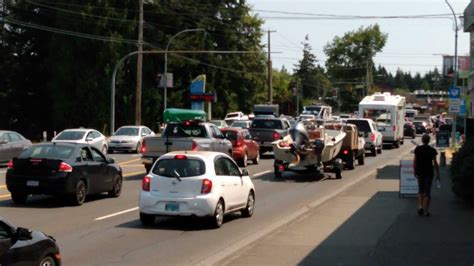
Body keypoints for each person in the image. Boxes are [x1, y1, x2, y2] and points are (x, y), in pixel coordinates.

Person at [413, 134, 440, 217]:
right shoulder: (432, 150)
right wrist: (438, 174)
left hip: (420, 172)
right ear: (428, 141)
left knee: (420, 190)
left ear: (422, 140)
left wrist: (414, 170)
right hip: (429, 172)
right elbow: (435, 163)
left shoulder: (417, 149)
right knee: (427, 192)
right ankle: (426, 211)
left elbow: (415, 161)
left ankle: (420, 206)